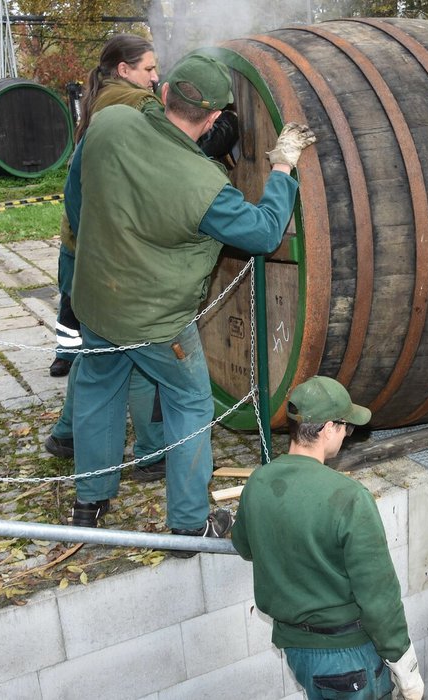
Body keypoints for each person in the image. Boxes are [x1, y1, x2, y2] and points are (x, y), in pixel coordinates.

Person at [65, 54, 316, 548]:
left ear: (164, 94)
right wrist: (283, 166)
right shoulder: (204, 185)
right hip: (157, 321)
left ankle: (88, 504)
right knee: (190, 403)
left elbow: (76, 199)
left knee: (98, 392)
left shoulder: (109, 121)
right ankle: (188, 522)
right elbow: (264, 233)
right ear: (216, 118)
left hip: (95, 300)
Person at [232, 376, 424, 700]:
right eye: (346, 427)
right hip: (348, 658)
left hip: (297, 651)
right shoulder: (350, 498)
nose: (346, 435)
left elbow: (245, 546)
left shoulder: (258, 483)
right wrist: (406, 667)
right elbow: (379, 596)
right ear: (327, 429)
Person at [45, 34, 168, 482]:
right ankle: (153, 453)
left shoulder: (103, 103)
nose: (156, 77)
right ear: (124, 69)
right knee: (138, 353)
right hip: (112, 253)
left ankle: (66, 435)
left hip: (82, 247)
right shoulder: (133, 107)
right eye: (149, 69)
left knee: (96, 353)